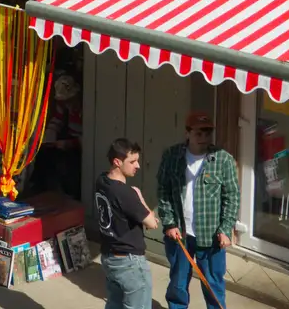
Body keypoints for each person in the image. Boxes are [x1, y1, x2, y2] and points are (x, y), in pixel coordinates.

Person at [157, 112, 239, 309]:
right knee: (178, 284)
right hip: (180, 234)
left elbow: (232, 197)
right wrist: (169, 222)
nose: (204, 138)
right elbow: (163, 190)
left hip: (211, 236)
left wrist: (225, 229)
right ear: (187, 133)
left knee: (213, 285)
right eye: (198, 133)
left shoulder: (223, 159)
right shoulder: (171, 156)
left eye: (208, 133)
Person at [95, 138, 159, 309]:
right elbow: (152, 223)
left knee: (115, 303)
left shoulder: (101, 181)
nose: (137, 166)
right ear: (117, 162)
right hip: (129, 262)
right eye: (132, 161)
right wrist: (140, 197)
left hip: (109, 257)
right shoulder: (126, 193)